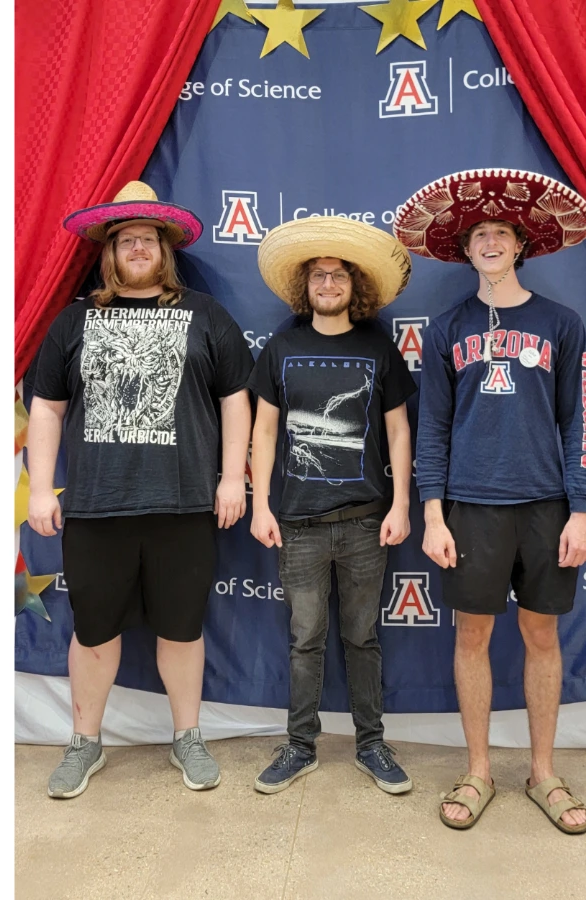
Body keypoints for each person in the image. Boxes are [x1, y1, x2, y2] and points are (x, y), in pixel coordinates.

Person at [27, 181, 253, 798]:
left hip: (183, 505)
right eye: (125, 239)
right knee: (94, 632)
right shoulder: (76, 320)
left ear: (165, 249)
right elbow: (46, 407)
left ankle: (188, 736)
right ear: (108, 252)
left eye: (147, 239)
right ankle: (84, 743)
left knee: (182, 630)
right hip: (97, 508)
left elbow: (237, 400)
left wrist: (234, 478)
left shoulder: (204, 315)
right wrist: (41, 489)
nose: (137, 248)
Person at [394, 168, 586, 833]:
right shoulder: (449, 327)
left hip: (545, 506)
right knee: (472, 634)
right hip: (471, 507)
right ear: (467, 249)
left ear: (519, 246)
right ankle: (478, 769)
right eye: (478, 233)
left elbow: (582, 419)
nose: (488, 242)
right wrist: (432, 511)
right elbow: (432, 426)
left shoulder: (562, 324)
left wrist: (582, 508)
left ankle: (543, 772)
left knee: (542, 634)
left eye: (500, 233)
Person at [246, 217, 417, 795]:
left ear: (354, 286)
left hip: (367, 522)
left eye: (337, 275)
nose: (327, 283)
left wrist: (401, 505)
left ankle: (372, 744)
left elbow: (398, 433)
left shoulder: (377, 347)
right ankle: (300, 746)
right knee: (305, 639)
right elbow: (263, 432)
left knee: (363, 638)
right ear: (305, 286)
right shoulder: (282, 347)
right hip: (297, 524)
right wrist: (260, 506)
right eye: (318, 275)